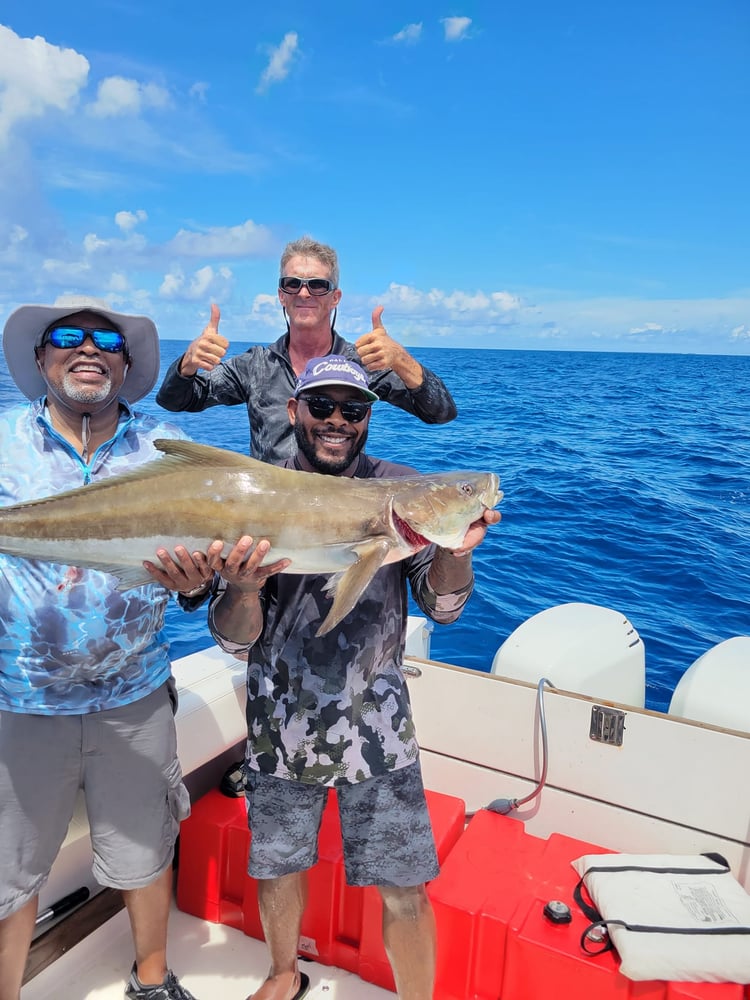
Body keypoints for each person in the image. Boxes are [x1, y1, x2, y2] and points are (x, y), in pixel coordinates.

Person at [202, 356, 500, 1000]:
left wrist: (453, 550)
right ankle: (284, 975)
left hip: (378, 720)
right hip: (278, 718)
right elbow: (232, 639)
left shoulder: (399, 487)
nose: (337, 421)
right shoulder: (258, 491)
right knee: (278, 868)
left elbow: (445, 609)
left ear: (370, 418)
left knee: (404, 883)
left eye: (354, 409)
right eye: (322, 407)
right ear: (294, 412)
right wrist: (244, 587)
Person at [0, 295, 215, 1000]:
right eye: (68, 336)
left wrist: (196, 584)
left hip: (134, 693)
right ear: (41, 357)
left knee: (146, 851)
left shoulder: (167, 451)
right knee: (10, 871)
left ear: (126, 366)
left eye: (107, 341)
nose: (88, 348)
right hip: (21, 700)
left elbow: (199, 571)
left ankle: (152, 980)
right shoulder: (3, 445)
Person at [155, 234, 457, 462]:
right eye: (293, 283)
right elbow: (177, 400)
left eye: (317, 285)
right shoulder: (256, 365)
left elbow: (440, 413)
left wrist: (402, 361)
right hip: (269, 518)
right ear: (281, 295)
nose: (304, 292)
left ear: (335, 297)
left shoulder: (361, 365)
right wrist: (187, 365)